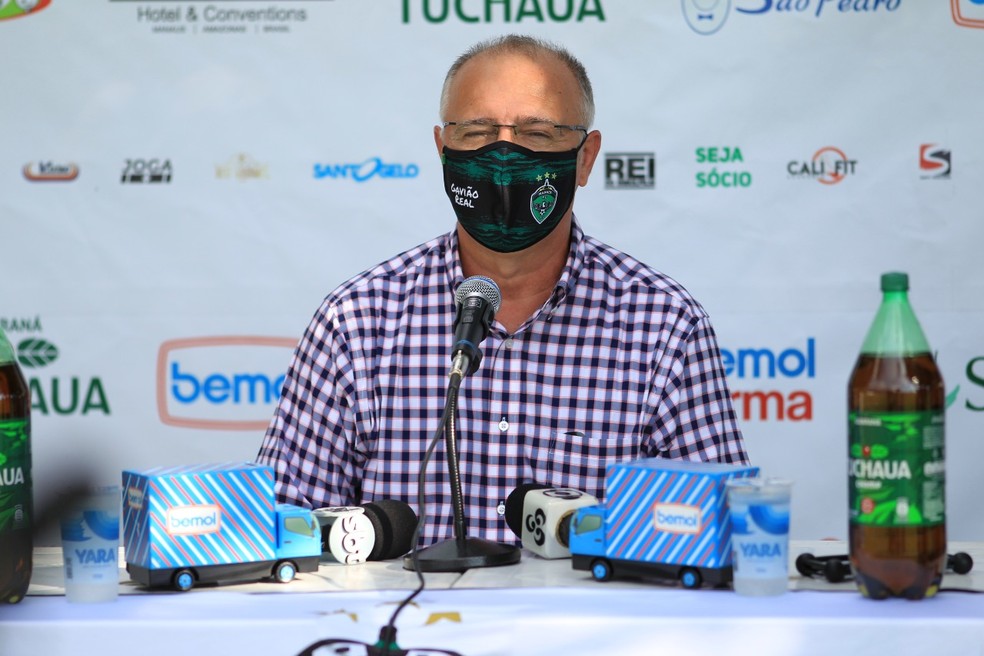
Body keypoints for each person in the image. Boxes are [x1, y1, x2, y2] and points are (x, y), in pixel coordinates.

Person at [257, 34, 749, 547]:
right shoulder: (358, 321)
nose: (504, 154)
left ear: (585, 158)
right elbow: (282, 531)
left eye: (538, 134)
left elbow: (720, 531)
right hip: (408, 623)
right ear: (442, 149)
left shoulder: (664, 325)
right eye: (477, 132)